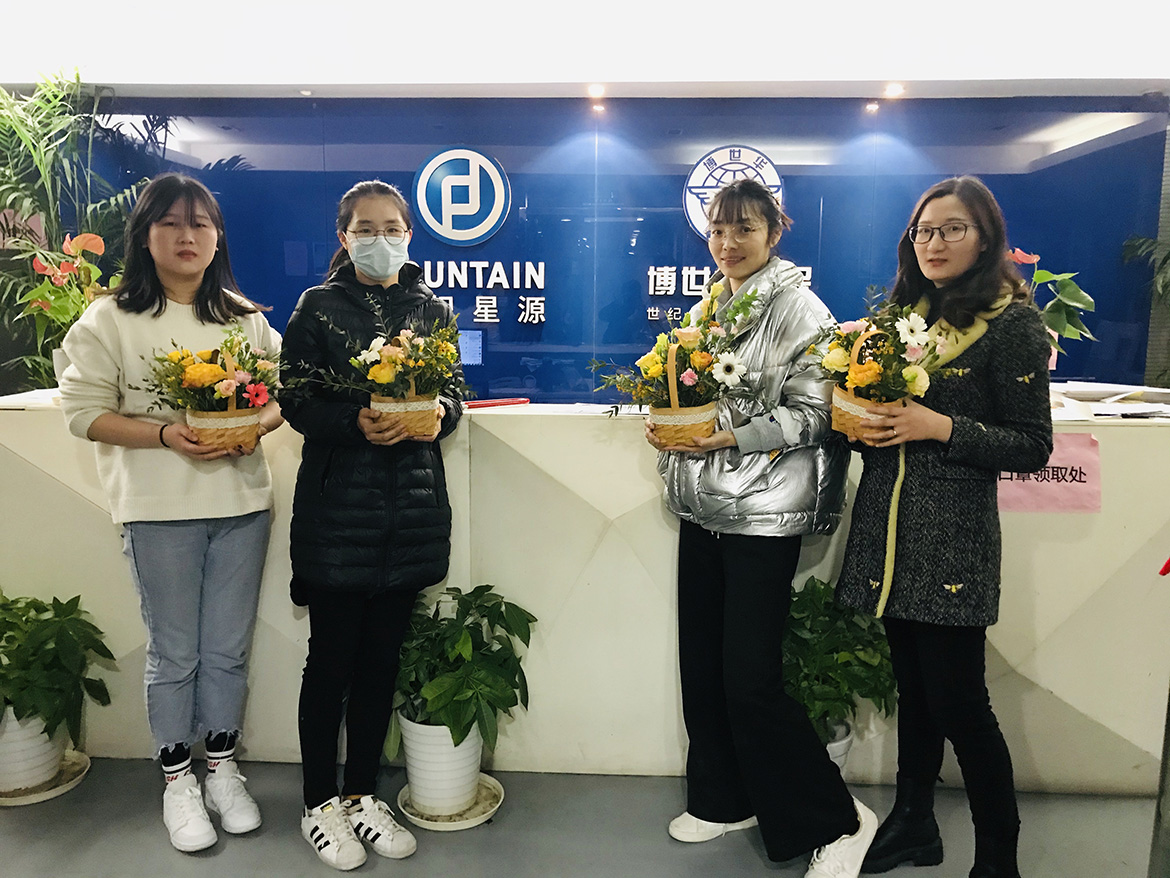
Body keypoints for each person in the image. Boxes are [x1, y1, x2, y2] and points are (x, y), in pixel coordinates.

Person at [646, 178, 877, 878]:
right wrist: (671, 422)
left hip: (764, 512)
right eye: (718, 230)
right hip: (705, 506)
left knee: (750, 679)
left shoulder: (800, 307)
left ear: (775, 233)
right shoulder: (710, 305)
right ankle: (723, 799)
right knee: (703, 667)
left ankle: (837, 820)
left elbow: (816, 412)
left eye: (744, 228)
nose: (727, 243)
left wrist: (729, 436)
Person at [835, 176, 1053, 878]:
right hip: (890, 533)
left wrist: (943, 426)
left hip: (952, 539)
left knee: (962, 705)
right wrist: (858, 423)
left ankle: (998, 856)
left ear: (985, 238)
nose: (934, 242)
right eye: (924, 231)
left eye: (952, 229)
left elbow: (1032, 445)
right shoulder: (904, 316)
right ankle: (914, 823)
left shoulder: (1012, 323)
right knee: (915, 691)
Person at [59, 173, 284, 853]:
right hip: (157, 511)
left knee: (228, 651)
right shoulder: (109, 319)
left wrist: (253, 427)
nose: (188, 236)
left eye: (201, 224)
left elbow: (281, 395)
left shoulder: (243, 318)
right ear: (145, 235)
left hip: (242, 504)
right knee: (176, 653)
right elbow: (83, 414)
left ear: (218, 237)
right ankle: (177, 780)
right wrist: (165, 434)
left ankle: (222, 769)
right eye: (171, 223)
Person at [280, 180, 463, 872]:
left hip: (410, 512)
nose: (379, 239)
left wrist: (439, 415)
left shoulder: (432, 308)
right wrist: (355, 419)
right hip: (338, 513)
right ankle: (318, 804)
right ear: (344, 237)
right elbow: (294, 398)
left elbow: (455, 393)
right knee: (330, 663)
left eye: (392, 228)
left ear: (409, 236)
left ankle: (361, 794)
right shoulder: (317, 307)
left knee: (382, 662)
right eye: (365, 228)